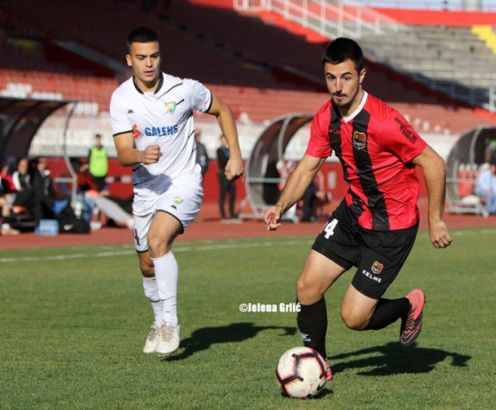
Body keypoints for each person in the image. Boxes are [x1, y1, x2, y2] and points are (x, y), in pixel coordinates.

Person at [263, 38, 452, 377]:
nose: (338, 86)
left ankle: (408, 305)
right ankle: (316, 365)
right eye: (331, 77)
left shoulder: (385, 120)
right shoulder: (325, 118)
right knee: (307, 286)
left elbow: (434, 163)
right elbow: (307, 167)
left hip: (390, 228)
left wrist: (435, 220)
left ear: (362, 75)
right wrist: (281, 204)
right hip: (353, 214)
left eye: (346, 77)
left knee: (354, 318)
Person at [110, 26, 244, 356]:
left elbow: (222, 109)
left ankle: (170, 322)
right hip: (146, 189)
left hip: (184, 182)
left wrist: (236, 153)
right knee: (146, 264)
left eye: (154, 56)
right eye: (141, 57)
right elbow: (123, 152)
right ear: (130, 60)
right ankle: (158, 322)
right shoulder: (121, 98)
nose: (148, 63)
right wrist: (141, 155)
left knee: (158, 241)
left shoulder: (185, 90)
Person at [216, 134, 240, 223]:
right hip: (223, 174)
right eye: (223, 139)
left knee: (233, 194)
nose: (224, 141)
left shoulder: (229, 150)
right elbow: (222, 161)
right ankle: (223, 215)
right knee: (223, 194)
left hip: (231, 175)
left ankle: (232, 214)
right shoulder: (219, 150)